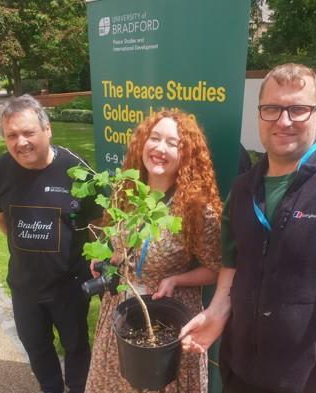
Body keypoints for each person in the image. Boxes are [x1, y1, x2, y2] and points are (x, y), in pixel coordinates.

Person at [181, 63, 316, 393]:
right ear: (259, 114)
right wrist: (217, 312)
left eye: (298, 109)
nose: (284, 120)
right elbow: (233, 262)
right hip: (240, 374)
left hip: (314, 381)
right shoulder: (242, 188)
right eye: (272, 108)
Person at [85, 109, 223, 393]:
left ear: (185, 154)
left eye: (172, 143)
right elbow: (119, 245)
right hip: (122, 311)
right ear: (142, 143)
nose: (160, 149)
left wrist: (176, 280)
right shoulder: (125, 193)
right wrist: (107, 259)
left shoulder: (197, 210)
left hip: (167, 321)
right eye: (154, 138)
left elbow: (215, 269)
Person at [0, 94, 102, 393]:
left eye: (28, 132)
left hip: (70, 285)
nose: (20, 142)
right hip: (25, 286)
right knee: (36, 348)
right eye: (11, 135)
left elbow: (97, 222)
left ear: (47, 129)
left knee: (76, 346)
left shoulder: (76, 169)